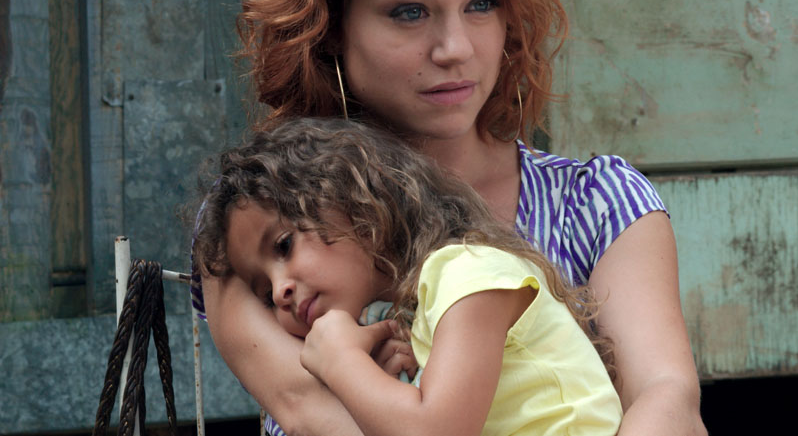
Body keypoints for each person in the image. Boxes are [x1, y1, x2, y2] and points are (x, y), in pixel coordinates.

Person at [196, 0, 705, 436]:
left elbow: (666, 400)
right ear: (327, 27)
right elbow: (311, 414)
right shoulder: (254, 225)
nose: (456, 48)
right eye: (409, 11)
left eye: (481, 3)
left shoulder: (596, 203)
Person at [194, 117, 623, 435]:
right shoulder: (418, 316)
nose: (279, 291)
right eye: (264, 293)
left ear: (355, 202)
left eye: (284, 245)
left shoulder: (469, 275)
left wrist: (341, 362)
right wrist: (377, 384)